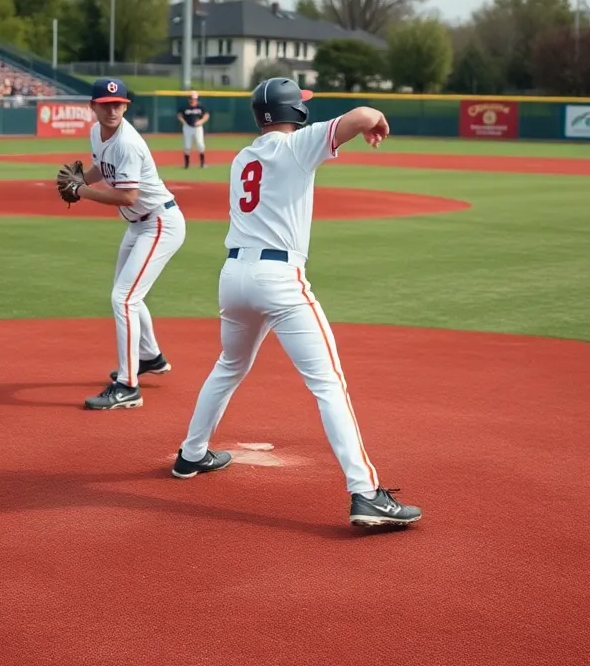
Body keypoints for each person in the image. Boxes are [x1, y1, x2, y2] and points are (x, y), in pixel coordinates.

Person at [169, 77, 421, 528]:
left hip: (233, 276)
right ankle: (365, 492)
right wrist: (375, 121)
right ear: (295, 112)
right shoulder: (298, 145)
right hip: (279, 278)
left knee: (229, 366)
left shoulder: (242, 157)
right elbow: (362, 115)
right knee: (328, 384)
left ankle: (190, 455)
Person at [63, 78, 188, 411]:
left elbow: (128, 195)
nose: (113, 109)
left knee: (124, 298)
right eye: (106, 104)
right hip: (139, 224)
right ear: (93, 106)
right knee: (128, 294)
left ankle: (128, 386)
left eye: (119, 104)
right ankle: (150, 357)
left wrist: (82, 192)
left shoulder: (128, 142)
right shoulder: (96, 133)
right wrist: (79, 178)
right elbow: (100, 169)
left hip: (160, 223)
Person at [177, 91, 209, 168]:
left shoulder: (200, 107)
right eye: (191, 98)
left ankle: (202, 163)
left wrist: (201, 122)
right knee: (187, 146)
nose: (192, 100)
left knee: (200, 145)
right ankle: (186, 165)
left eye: (194, 98)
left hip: (198, 128)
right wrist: (184, 122)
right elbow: (179, 115)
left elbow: (206, 115)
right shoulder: (184, 107)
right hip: (188, 128)